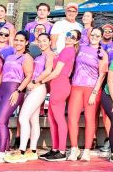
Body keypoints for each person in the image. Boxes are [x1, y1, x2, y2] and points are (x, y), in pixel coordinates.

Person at [4, 33, 55, 163]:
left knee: (23, 117)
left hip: (38, 88)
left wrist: (36, 82)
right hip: (33, 88)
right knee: (33, 119)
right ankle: (32, 151)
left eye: (45, 41)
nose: (42, 43)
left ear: (50, 42)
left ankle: (21, 150)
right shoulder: (39, 55)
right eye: (40, 41)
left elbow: (48, 71)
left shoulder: (50, 55)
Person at [0, 31, 33, 164]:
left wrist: (18, 91)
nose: (18, 43)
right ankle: (3, 149)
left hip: (13, 89)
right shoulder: (10, 57)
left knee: (0, 120)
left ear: (26, 42)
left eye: (21, 41)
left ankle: (0, 153)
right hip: (2, 89)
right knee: (0, 121)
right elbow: (1, 75)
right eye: (16, 40)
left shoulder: (26, 57)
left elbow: (28, 76)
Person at [67, 27, 108, 161]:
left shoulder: (102, 53)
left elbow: (102, 75)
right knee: (72, 118)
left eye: (97, 35)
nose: (94, 37)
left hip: (91, 89)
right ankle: (74, 148)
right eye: (93, 34)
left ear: (101, 37)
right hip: (76, 86)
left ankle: (86, 150)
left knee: (90, 119)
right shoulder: (81, 47)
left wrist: (94, 93)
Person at [40, 29, 80, 161]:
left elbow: (57, 72)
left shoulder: (67, 51)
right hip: (56, 85)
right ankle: (55, 148)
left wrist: (39, 81)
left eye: (72, 37)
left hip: (60, 85)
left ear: (76, 40)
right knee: (52, 118)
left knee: (58, 118)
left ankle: (62, 151)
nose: (69, 38)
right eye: (68, 34)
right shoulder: (66, 50)